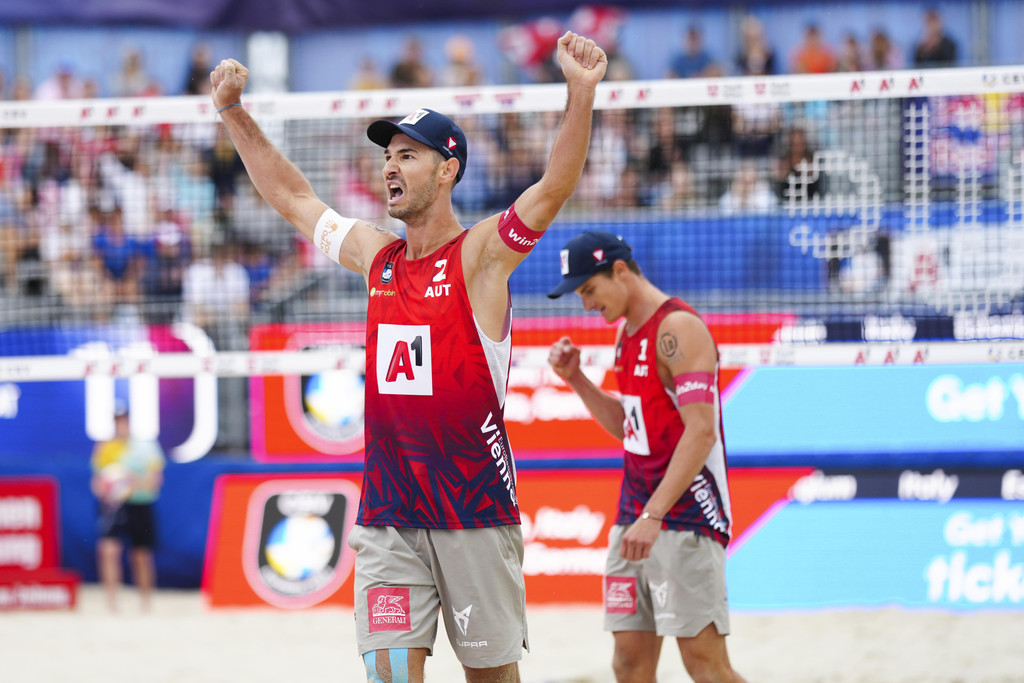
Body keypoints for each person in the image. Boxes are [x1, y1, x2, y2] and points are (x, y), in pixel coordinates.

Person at [209, 30, 607, 683]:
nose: (389, 168)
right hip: (389, 516)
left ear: (447, 169)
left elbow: (554, 185)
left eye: (408, 156)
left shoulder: (480, 256)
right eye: (387, 156)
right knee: (389, 673)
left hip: (473, 511)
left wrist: (580, 93)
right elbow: (294, 199)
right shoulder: (377, 256)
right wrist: (233, 113)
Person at [546, 231, 746, 683]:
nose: (586, 305)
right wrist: (577, 379)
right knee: (629, 664)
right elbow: (631, 428)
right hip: (635, 517)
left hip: (687, 515)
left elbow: (701, 432)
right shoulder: (626, 333)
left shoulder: (678, 328)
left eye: (589, 290)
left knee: (705, 666)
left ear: (620, 271)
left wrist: (653, 515)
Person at [90, 402, 166, 612]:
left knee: (141, 555)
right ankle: (112, 605)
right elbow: (97, 482)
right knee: (108, 551)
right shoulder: (105, 448)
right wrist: (108, 491)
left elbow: (155, 481)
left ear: (130, 422)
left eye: (124, 421)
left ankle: (145, 604)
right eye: (117, 421)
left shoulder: (146, 447)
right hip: (114, 507)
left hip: (140, 504)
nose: (121, 425)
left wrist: (128, 484)